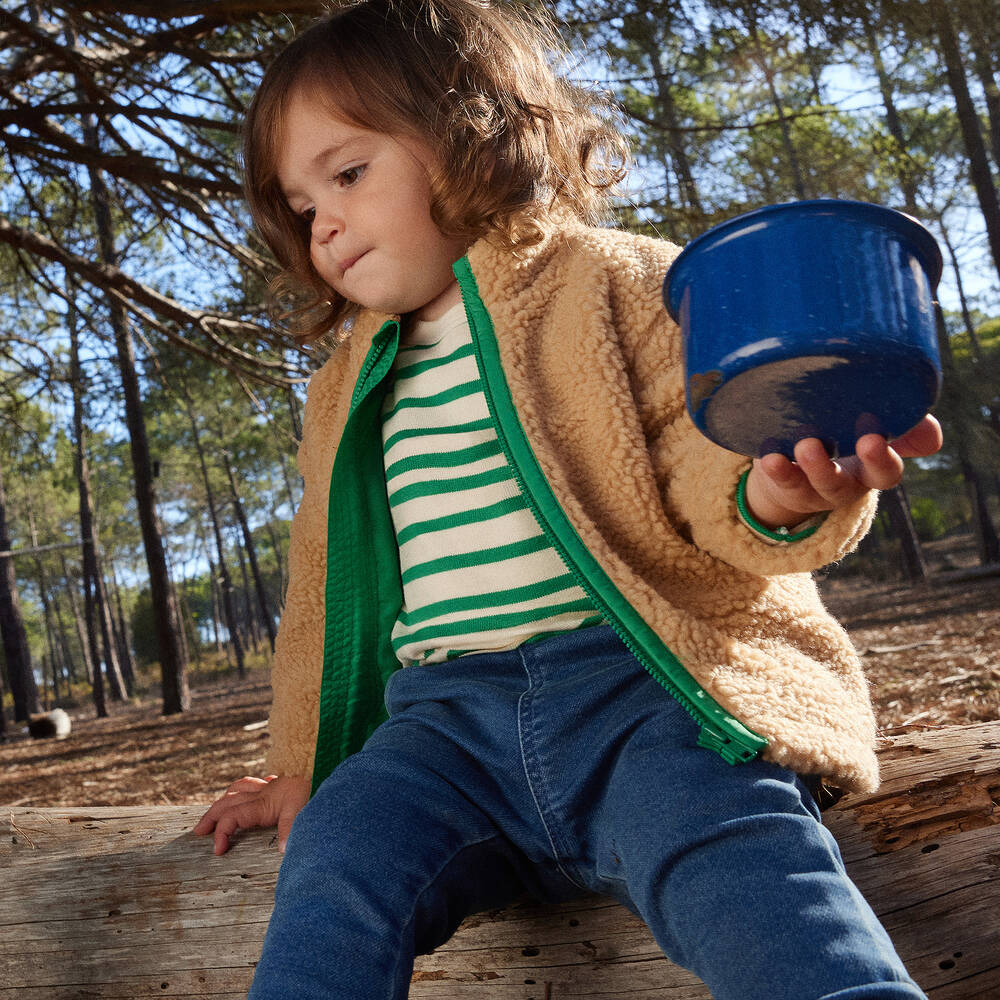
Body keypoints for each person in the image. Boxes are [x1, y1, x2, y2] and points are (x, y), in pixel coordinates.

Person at [195, 2, 942, 997]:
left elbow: (702, 453)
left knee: (741, 864)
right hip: (441, 728)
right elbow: (323, 578)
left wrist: (772, 492)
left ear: (469, 131)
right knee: (335, 855)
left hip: (647, 694)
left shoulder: (621, 280)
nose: (321, 221)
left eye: (346, 172)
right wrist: (302, 758)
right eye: (300, 204)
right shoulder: (348, 380)